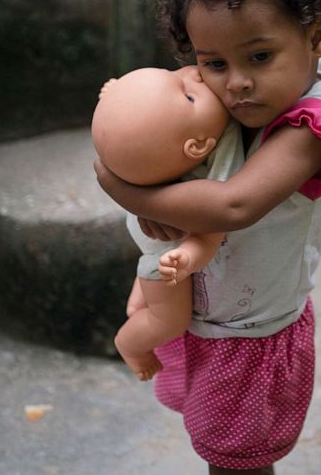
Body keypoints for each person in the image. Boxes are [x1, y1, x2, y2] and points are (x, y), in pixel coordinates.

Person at [94, 0, 321, 475]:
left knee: (237, 463)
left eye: (259, 57)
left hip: (252, 335)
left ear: (316, 38)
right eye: (213, 64)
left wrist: (126, 190)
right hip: (210, 317)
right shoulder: (240, 105)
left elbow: (234, 206)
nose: (233, 83)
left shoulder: (314, 128)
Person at [91, 66, 243, 381]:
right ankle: (130, 344)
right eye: (189, 95)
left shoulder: (194, 129)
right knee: (169, 320)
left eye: (177, 75)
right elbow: (209, 234)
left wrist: (116, 93)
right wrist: (189, 257)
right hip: (167, 247)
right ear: (198, 146)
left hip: (150, 242)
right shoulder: (214, 157)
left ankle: (136, 305)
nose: (195, 77)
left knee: (150, 279)